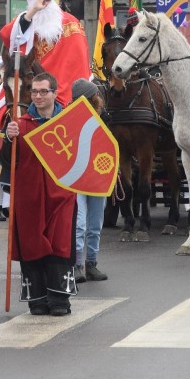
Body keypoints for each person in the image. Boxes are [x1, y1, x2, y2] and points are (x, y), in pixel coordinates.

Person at [0, 72, 78, 316]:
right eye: (34, 91)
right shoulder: (19, 124)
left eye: (44, 91)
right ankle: (38, 299)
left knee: (59, 244)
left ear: (55, 93)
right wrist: (8, 139)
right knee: (33, 243)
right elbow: (5, 161)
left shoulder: (68, 121)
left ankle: (59, 300)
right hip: (29, 196)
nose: (39, 96)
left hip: (61, 195)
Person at [0, 0, 90, 105]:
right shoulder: (26, 19)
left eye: (47, 0)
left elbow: (79, 58)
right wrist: (32, 12)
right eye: (39, 1)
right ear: (32, 3)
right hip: (31, 87)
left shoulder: (72, 22)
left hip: (69, 86)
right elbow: (8, 36)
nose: (44, 5)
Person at [69, 78, 109, 283]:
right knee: (80, 223)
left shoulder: (104, 117)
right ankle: (77, 264)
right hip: (76, 178)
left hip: (98, 177)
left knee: (95, 223)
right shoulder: (68, 119)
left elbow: (110, 147)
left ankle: (91, 263)